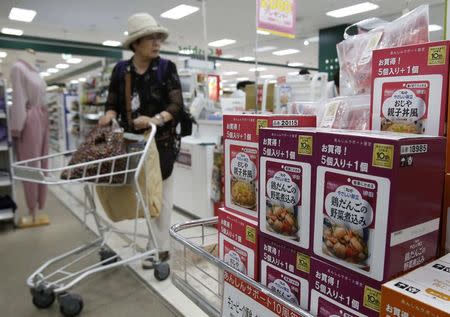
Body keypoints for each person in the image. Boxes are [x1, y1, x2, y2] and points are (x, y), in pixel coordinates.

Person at [99, 12, 183, 269]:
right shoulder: (121, 70)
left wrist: (154, 119)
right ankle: (154, 245)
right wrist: (108, 116)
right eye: (150, 38)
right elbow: (111, 102)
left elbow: (177, 105)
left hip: (163, 142)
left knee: (163, 197)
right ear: (135, 43)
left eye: (158, 38)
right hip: (132, 142)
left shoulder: (166, 68)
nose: (156, 43)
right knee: (146, 196)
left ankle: (161, 249)